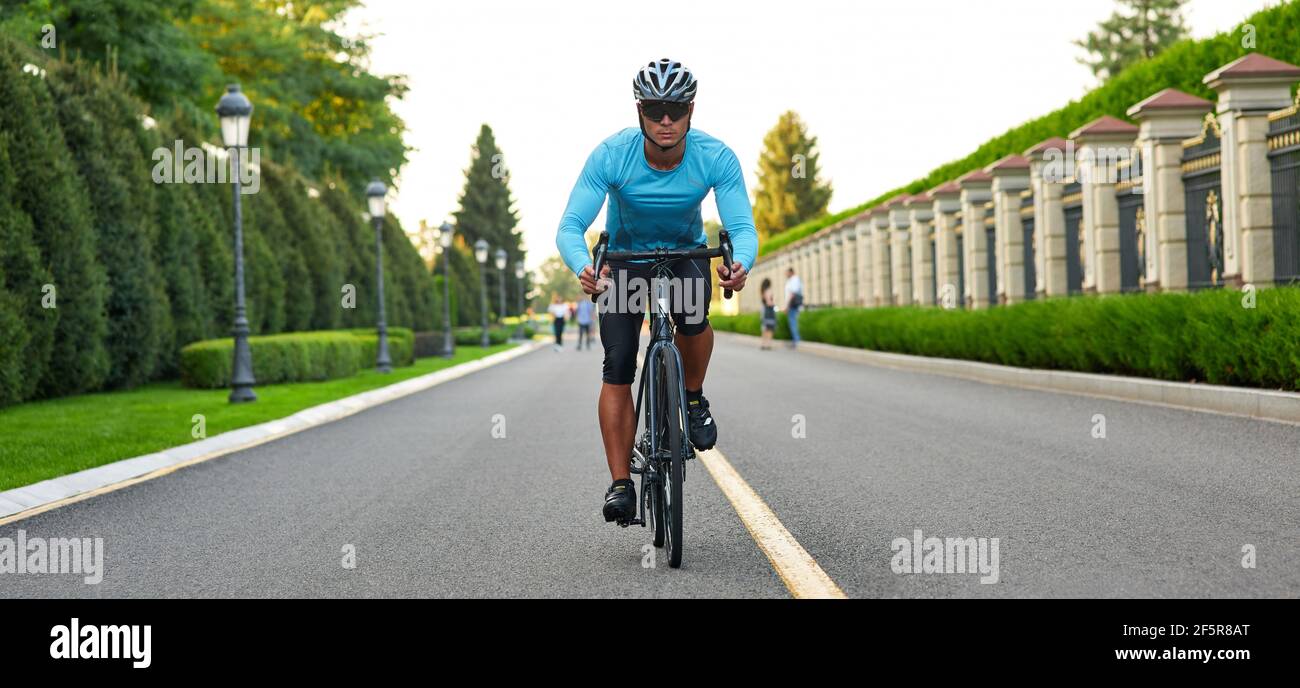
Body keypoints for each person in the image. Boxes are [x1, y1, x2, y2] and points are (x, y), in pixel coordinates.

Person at [555, 58, 757, 524]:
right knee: (619, 362)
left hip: (684, 253)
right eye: (655, 109)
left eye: (676, 109)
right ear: (639, 110)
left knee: (693, 317)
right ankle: (621, 483)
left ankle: (692, 396)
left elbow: (741, 225)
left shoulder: (715, 156)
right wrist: (584, 265)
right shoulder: (611, 155)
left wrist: (740, 261)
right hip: (624, 263)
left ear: (691, 109)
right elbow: (570, 225)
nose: (666, 120)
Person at [784, 267, 803, 349]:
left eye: (787, 272)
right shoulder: (791, 280)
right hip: (792, 305)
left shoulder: (795, 280)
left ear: (791, 272)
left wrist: (787, 306)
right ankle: (796, 340)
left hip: (793, 305)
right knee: (793, 323)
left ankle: (797, 341)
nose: (786, 274)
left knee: (793, 323)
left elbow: (792, 294)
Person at [760, 278, 777, 350]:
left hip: (764, 309)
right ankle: (768, 344)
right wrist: (774, 304)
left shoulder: (762, 291)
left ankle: (764, 343)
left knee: (765, 328)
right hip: (769, 310)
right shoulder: (768, 290)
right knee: (770, 328)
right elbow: (769, 302)